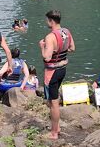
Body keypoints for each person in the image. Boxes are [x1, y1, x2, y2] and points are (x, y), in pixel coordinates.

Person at [39, 9, 75, 140]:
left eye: (47, 20)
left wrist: (42, 47)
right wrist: (60, 50)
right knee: (55, 100)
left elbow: (47, 58)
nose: (46, 22)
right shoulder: (66, 32)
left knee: (53, 103)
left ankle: (54, 132)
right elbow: (72, 48)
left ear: (51, 21)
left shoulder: (50, 37)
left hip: (52, 72)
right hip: (62, 69)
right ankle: (57, 126)